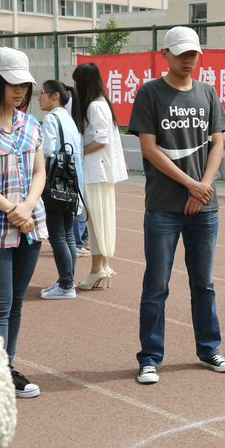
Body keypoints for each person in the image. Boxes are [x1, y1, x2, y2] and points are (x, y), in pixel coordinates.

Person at [128, 26, 225, 385]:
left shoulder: (207, 92)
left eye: (194, 54)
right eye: (182, 53)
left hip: (204, 208)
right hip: (163, 207)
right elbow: (149, 148)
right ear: (165, 54)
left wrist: (203, 186)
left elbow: (218, 142)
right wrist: (190, 184)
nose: (189, 60)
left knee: (203, 283)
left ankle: (209, 349)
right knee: (156, 283)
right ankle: (150, 357)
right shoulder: (150, 93)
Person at [0, 47, 48, 398]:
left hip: (31, 227)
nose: (20, 91)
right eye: (12, 83)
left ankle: (7, 367)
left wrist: (27, 207)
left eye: (25, 85)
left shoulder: (31, 123)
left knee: (15, 305)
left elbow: (40, 171)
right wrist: (11, 209)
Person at [72, 62, 128, 290]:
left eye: (76, 82)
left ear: (84, 82)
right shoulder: (99, 103)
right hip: (98, 171)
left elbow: (100, 140)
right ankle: (102, 267)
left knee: (96, 222)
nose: (74, 86)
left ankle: (96, 270)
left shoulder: (95, 106)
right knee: (100, 221)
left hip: (96, 171)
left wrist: (78, 152)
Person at [39, 80, 84, 300]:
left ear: (55, 95)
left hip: (55, 182)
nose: (39, 97)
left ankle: (66, 285)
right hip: (71, 182)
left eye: (42, 93)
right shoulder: (68, 119)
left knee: (57, 236)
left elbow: (47, 150)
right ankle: (67, 281)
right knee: (67, 235)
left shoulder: (51, 118)